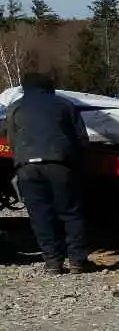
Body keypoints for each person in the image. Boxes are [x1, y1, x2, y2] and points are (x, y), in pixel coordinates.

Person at [2, 72, 91, 273]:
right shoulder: (65, 105)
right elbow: (81, 139)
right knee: (70, 213)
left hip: (28, 168)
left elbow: (12, 141)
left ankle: (53, 262)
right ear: (49, 86)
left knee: (40, 215)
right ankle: (77, 261)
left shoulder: (15, 108)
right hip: (60, 165)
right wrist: (78, 164)